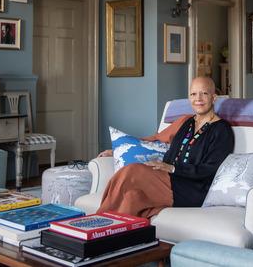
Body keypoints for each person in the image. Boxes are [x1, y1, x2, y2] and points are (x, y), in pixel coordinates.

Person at [97, 76, 234, 218]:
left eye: (204, 93)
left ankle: (97, 223)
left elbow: (211, 168)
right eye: (193, 94)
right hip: (168, 179)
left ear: (214, 97)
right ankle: (118, 236)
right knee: (132, 198)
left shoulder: (222, 130)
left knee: (131, 171)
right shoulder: (187, 122)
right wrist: (118, 151)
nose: (198, 98)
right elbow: (158, 141)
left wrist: (173, 168)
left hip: (192, 189)